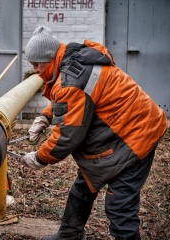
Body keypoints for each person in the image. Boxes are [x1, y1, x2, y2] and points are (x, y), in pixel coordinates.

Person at [20, 26, 168, 240]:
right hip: (126, 128)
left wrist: (39, 158)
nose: (35, 70)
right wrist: (46, 116)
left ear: (51, 58)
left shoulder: (70, 80)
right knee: (84, 186)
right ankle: (69, 235)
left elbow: (67, 136)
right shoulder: (74, 59)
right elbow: (72, 101)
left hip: (138, 135)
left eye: (37, 65)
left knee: (120, 205)